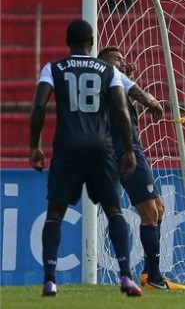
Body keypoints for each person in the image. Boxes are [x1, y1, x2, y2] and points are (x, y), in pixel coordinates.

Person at [29, 19, 142, 297]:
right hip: (101, 148)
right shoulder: (107, 70)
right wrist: (128, 149)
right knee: (113, 209)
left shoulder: (52, 68)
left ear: (67, 42)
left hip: (67, 148)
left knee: (56, 212)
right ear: (92, 43)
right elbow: (119, 109)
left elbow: (40, 104)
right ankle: (126, 276)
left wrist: (35, 145)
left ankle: (50, 280)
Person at [97, 47, 185, 290]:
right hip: (126, 152)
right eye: (118, 58)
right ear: (104, 62)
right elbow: (143, 96)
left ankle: (150, 273)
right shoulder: (108, 75)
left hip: (129, 150)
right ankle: (153, 279)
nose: (123, 62)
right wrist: (153, 102)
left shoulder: (112, 84)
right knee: (150, 213)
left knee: (158, 208)